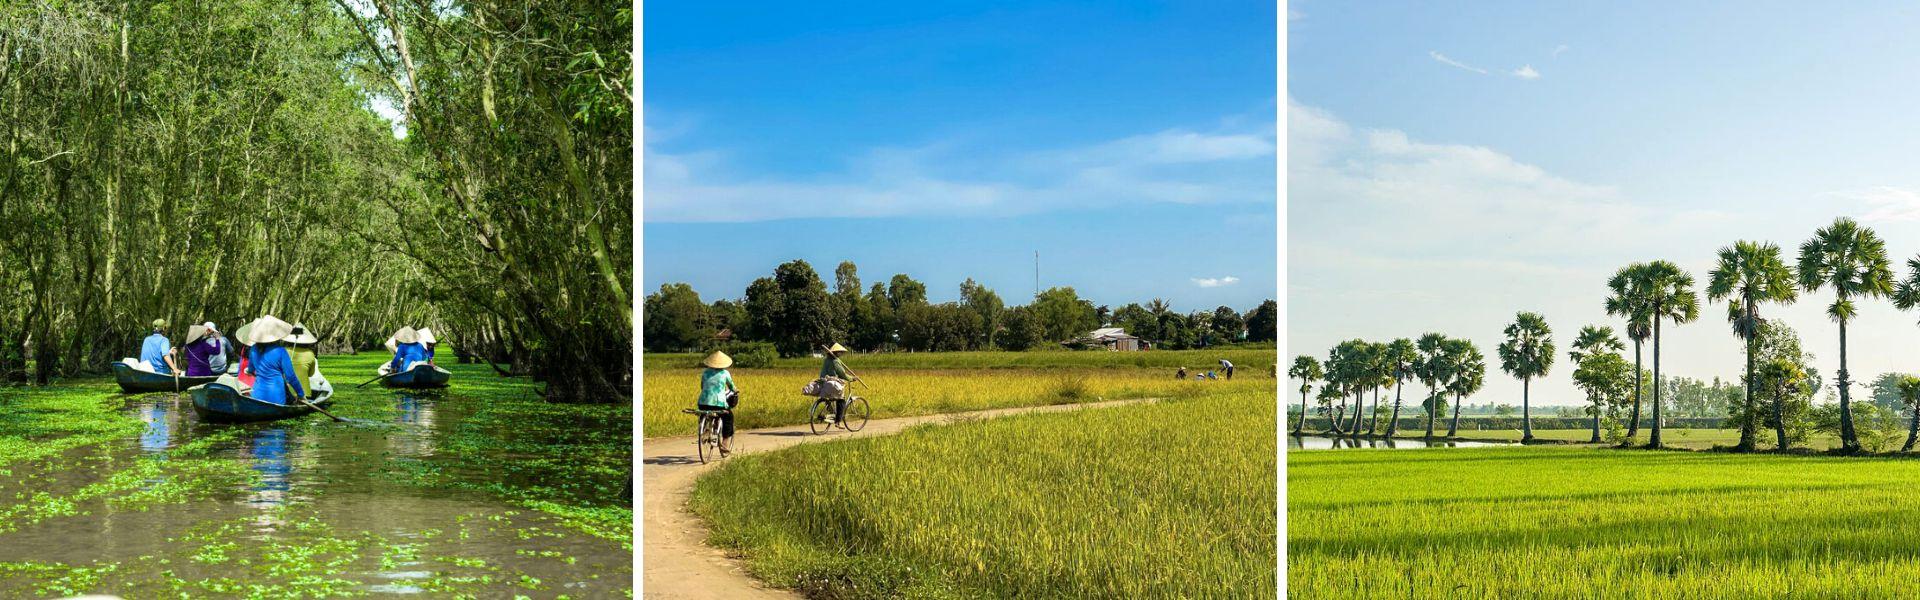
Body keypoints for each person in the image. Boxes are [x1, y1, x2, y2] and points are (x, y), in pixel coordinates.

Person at [244, 317, 305, 406]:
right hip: (276, 398)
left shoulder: (253, 349)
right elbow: (290, 377)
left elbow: (250, 370)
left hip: (256, 397)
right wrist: (300, 394)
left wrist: (248, 370)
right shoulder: (281, 351)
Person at [697, 351, 740, 456]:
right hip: (718, 403)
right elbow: (732, 387)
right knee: (729, 418)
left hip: (703, 402)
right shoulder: (725, 373)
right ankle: (725, 443)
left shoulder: (705, 372)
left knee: (705, 412)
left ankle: (705, 429)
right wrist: (736, 390)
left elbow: (702, 386)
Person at [817, 343, 858, 424]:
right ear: (836, 352)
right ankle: (838, 421)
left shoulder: (827, 360)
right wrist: (852, 378)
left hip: (824, 382)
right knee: (841, 400)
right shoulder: (835, 361)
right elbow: (842, 374)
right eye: (840, 352)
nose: (841, 354)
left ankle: (830, 412)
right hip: (832, 383)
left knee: (830, 397)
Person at [287, 323, 321, 394]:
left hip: (286, 392)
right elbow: (311, 374)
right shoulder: (310, 353)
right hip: (305, 392)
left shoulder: (283, 351)